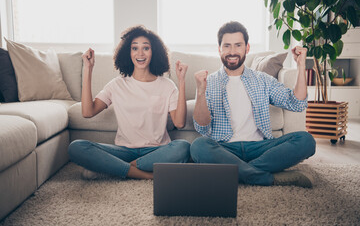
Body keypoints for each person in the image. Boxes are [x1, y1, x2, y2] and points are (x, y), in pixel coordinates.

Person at [190, 21, 316, 188]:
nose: (232, 51)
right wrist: (200, 92)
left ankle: (239, 172)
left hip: (261, 147)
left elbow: (297, 103)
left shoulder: (262, 79)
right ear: (219, 49)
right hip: (226, 149)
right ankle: (268, 177)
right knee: (199, 146)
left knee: (306, 140)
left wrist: (301, 65)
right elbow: (202, 128)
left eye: (238, 45)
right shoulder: (209, 82)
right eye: (227, 46)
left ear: (247, 48)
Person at [68, 25, 190, 180]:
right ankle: (146, 175)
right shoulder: (116, 84)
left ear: (154, 52)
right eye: (134, 48)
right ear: (128, 52)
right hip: (123, 150)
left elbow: (179, 123)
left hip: (156, 150)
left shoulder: (167, 85)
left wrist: (181, 81)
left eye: (146, 48)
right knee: (77, 147)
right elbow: (87, 112)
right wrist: (88, 69)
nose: (140, 53)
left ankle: (112, 167)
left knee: (183, 148)